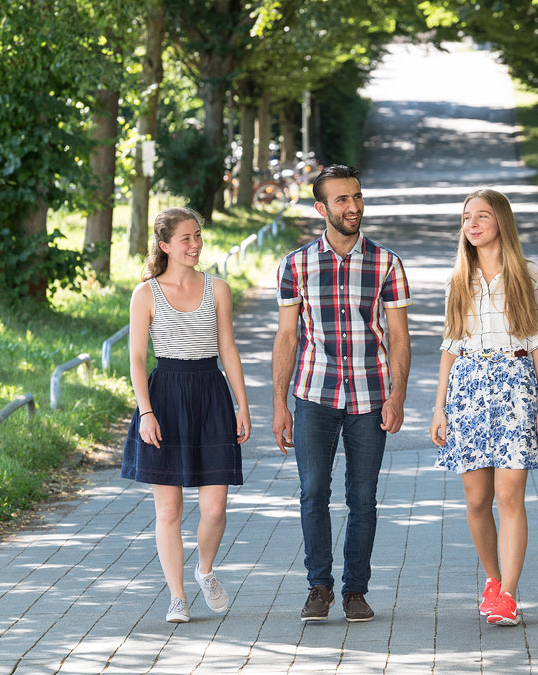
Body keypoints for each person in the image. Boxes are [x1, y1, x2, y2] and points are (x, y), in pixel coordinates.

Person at [271, 164, 411, 623]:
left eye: (356, 197)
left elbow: (399, 337)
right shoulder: (295, 265)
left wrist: (397, 395)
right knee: (312, 491)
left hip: (371, 397)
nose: (352, 207)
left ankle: (355, 591)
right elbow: (287, 337)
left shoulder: (387, 262)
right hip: (314, 393)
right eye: (341, 200)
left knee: (363, 498)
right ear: (321, 208)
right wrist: (279, 403)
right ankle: (319, 586)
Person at [430, 189, 538, 627]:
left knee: (508, 496)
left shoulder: (530, 273)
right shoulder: (459, 278)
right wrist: (439, 407)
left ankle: (509, 595)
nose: (473, 224)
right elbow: (450, 344)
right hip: (468, 387)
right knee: (477, 498)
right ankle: (492, 579)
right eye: (467, 218)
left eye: (482, 216)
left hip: (517, 387)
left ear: (501, 220)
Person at [122, 207, 251, 624]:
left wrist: (241, 404)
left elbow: (228, 349)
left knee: (214, 508)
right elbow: (138, 358)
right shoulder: (145, 294)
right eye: (186, 239)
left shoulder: (219, 289)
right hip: (166, 398)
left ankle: (205, 570)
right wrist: (146, 411)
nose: (195, 244)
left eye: (198, 236)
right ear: (165, 246)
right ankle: (177, 597)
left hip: (211, 394)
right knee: (170, 512)